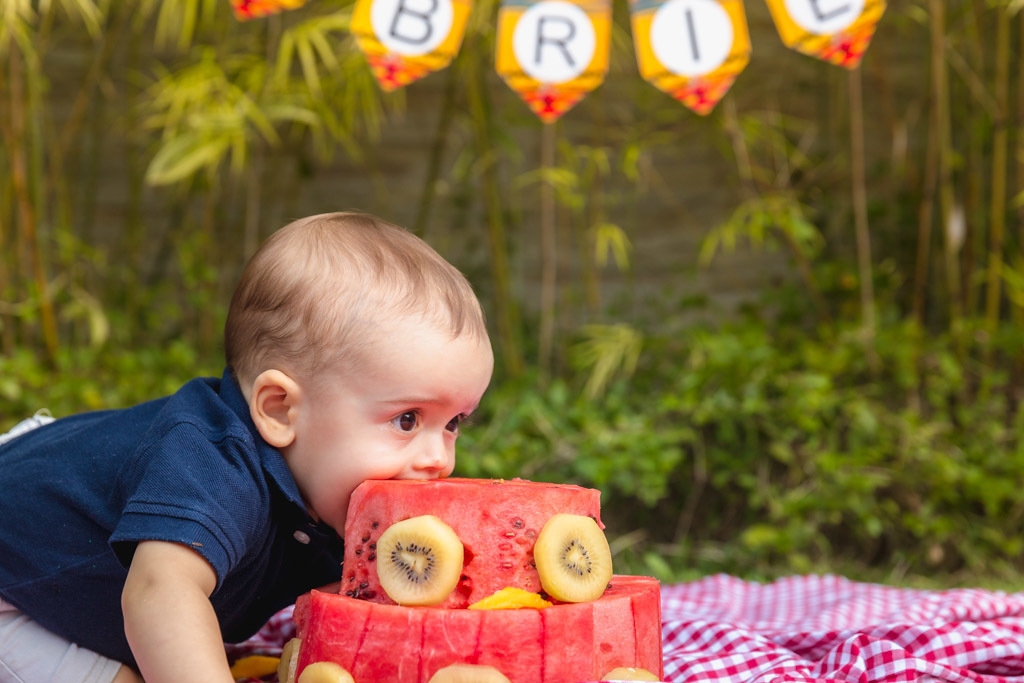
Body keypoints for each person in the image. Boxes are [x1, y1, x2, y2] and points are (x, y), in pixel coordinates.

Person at [0, 212, 494, 683]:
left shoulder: (333, 487)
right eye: (407, 419)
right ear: (279, 409)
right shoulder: (211, 462)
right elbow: (160, 590)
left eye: (453, 424)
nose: (440, 459)